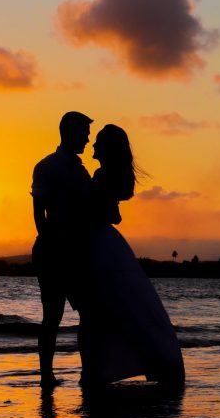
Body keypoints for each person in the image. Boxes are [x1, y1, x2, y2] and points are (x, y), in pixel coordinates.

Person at [77, 124, 185, 389]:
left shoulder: (102, 177)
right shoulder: (106, 177)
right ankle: (98, 370)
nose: (93, 147)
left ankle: (94, 371)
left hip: (99, 245)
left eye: (98, 143)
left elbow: (106, 213)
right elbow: (114, 214)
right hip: (106, 243)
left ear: (106, 148)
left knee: (98, 312)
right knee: (121, 307)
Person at [31, 111, 93, 388]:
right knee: (53, 316)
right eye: (84, 134)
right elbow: (38, 217)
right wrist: (56, 247)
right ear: (70, 133)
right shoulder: (47, 166)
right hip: (54, 252)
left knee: (86, 314)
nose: (88, 140)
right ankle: (47, 374)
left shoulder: (81, 171)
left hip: (76, 252)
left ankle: (86, 371)